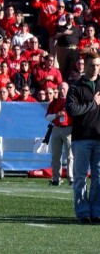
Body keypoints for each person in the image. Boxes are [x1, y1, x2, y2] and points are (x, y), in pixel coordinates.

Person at [66, 49, 100, 222]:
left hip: (99, 138)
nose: (95, 69)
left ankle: (96, 211)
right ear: (85, 65)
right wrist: (92, 104)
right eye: (92, 65)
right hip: (81, 138)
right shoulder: (76, 87)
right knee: (80, 177)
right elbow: (72, 110)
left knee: (98, 177)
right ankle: (82, 212)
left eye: (98, 65)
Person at [45, 81, 72, 186]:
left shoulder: (72, 101)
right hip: (56, 128)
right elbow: (47, 117)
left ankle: (71, 177)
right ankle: (56, 178)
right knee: (56, 155)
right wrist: (56, 115)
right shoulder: (54, 102)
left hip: (68, 129)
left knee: (70, 155)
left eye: (64, 89)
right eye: (60, 88)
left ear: (67, 90)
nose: (62, 91)